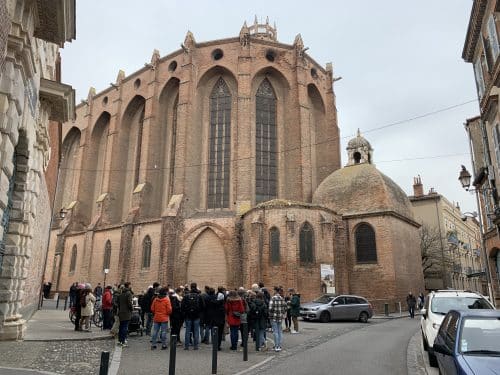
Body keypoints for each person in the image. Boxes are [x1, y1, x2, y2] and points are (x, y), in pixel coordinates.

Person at [181, 282, 204, 350]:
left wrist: (185, 313)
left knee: (188, 331)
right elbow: (203, 306)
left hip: (188, 316)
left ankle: (186, 346)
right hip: (196, 316)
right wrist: (199, 313)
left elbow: (182, 306)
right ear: (196, 287)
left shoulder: (186, 296)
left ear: (190, 287)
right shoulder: (199, 296)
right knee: (196, 331)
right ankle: (196, 346)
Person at [269, 286, 286, 352]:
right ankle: (279, 345)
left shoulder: (273, 298)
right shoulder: (282, 298)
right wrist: (282, 312)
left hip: (274, 317)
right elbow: (285, 307)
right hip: (280, 317)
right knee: (279, 331)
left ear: (275, 291)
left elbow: (270, 309)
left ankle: (276, 346)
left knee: (275, 332)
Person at [117, 282, 133, 346]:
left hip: (121, 312)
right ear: (128, 286)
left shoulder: (120, 294)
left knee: (121, 326)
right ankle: (123, 341)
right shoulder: (128, 294)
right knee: (125, 327)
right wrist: (132, 308)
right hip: (126, 312)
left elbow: (118, 303)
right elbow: (129, 303)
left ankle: (120, 340)